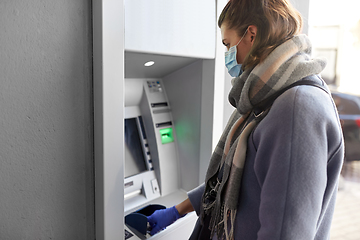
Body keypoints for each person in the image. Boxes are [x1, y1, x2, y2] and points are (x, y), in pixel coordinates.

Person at [147, 0, 344, 239]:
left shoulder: (296, 109)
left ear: (251, 34)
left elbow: (284, 233)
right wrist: (177, 211)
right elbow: (233, 183)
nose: (228, 56)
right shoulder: (267, 95)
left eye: (228, 44)